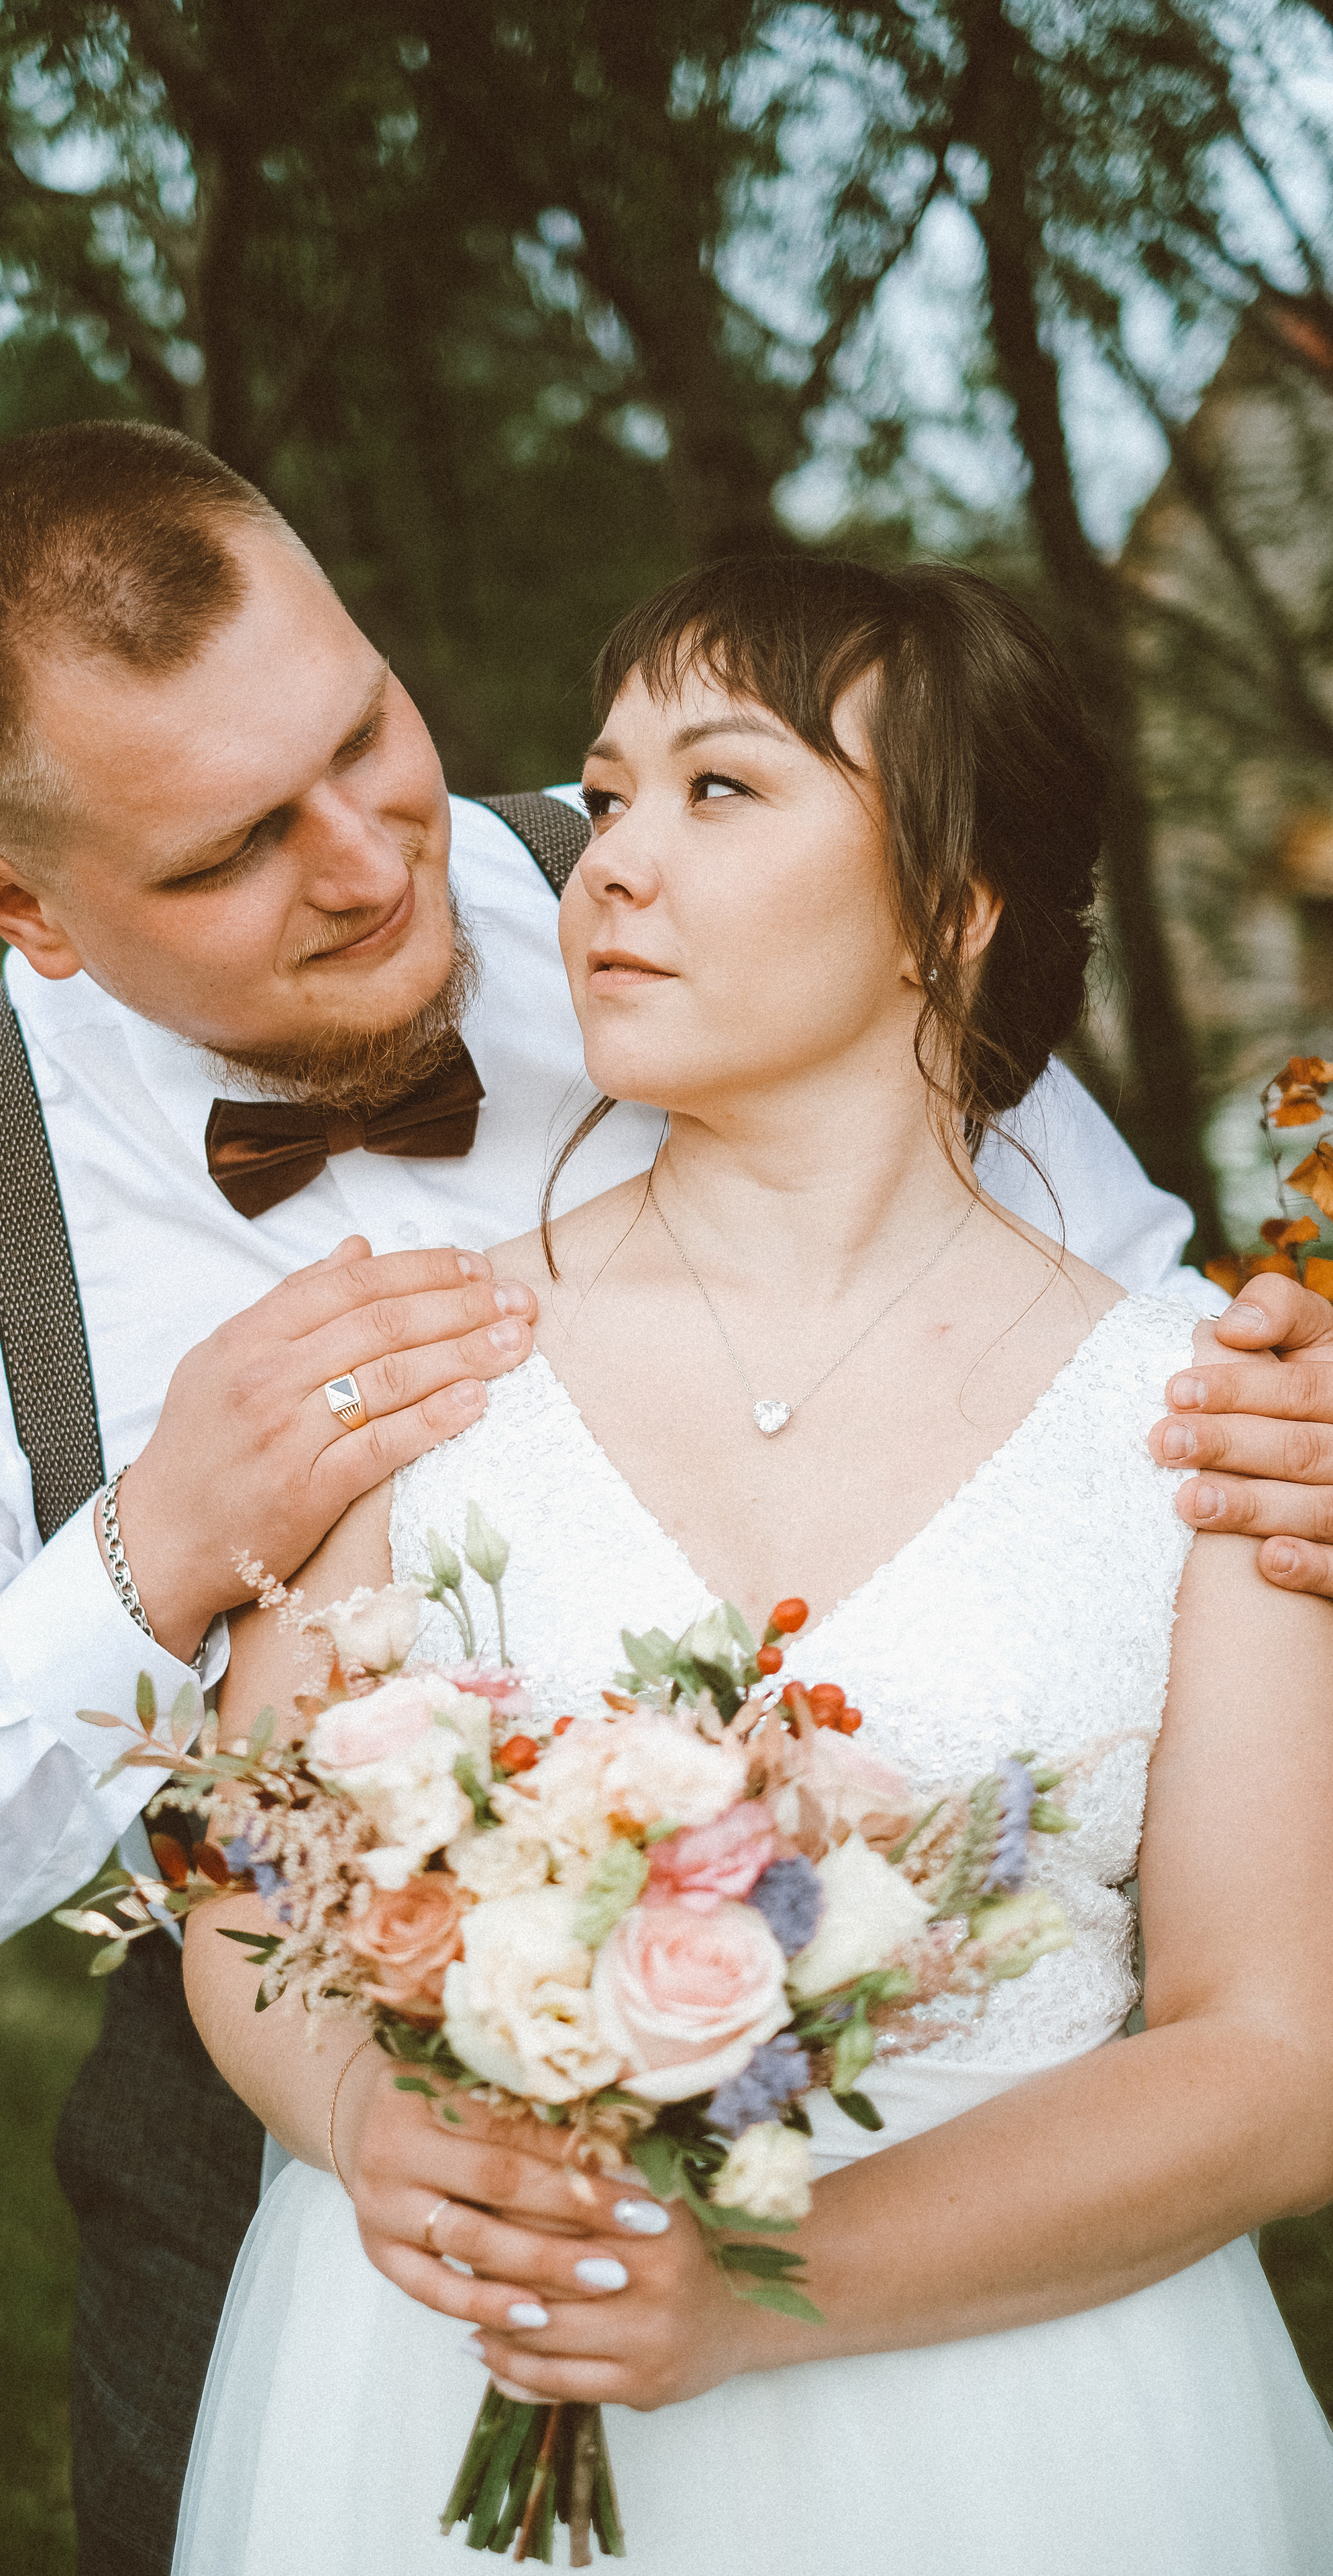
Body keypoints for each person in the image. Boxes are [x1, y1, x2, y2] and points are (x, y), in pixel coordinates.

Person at [0, 425, 1333, 2576]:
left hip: (1023, 2321)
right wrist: (150, 1550)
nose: (374, 864)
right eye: (231, 853)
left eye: (365, 739)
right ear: (28, 904)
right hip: (345, 2207)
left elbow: (1128, 1393)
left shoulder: (702, 899)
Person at [176, 555, 1333, 2574]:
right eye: (609, 793)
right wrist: (368, 2117)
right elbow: (246, 1867)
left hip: (1025, 2433)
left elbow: (1279, 2056)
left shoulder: (1209, 1424)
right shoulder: (428, 1357)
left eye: (720, 788)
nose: (609, 863)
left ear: (951, 907)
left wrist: (758, 2293)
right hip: (459, 2368)